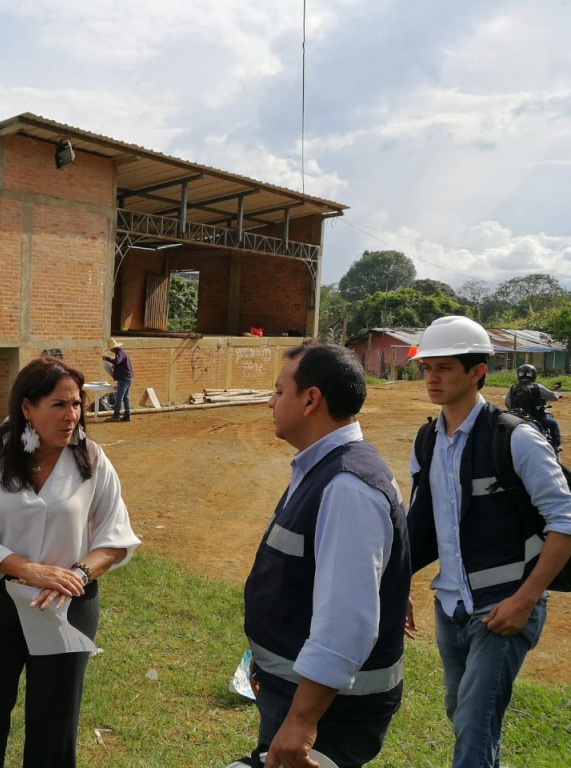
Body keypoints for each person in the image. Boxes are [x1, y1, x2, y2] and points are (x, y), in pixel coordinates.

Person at [0, 356, 141, 768]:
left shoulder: (91, 456)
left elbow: (116, 536)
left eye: (77, 404)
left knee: (54, 727)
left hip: (65, 608)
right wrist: (26, 569)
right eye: (59, 405)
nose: (72, 416)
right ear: (27, 408)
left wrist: (78, 573)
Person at [407, 316, 571, 768]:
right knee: (461, 715)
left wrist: (526, 600)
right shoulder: (425, 442)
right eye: (427, 368)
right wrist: (396, 582)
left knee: (474, 728)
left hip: (503, 609)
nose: (432, 378)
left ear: (477, 371)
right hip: (450, 607)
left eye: (444, 368)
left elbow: (566, 522)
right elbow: (420, 524)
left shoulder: (516, 438)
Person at [239, 342, 411, 768]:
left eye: (279, 391)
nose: (270, 402)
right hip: (301, 693)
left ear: (311, 399)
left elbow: (346, 623)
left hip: (331, 713)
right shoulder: (327, 468)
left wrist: (301, 720)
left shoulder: (347, 486)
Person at [503, 363, 561, 450]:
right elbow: (553, 396)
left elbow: (507, 403)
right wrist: (556, 395)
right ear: (533, 375)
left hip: (517, 419)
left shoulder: (513, 387)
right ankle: (556, 445)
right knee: (553, 424)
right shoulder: (536, 386)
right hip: (537, 418)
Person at [102, 338, 133, 422]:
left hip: (124, 379)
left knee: (119, 397)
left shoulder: (120, 353)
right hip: (127, 378)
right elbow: (119, 363)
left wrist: (107, 358)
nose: (111, 350)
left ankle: (116, 416)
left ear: (114, 348)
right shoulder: (121, 353)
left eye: (111, 349)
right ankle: (127, 415)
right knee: (125, 397)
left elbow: (117, 361)